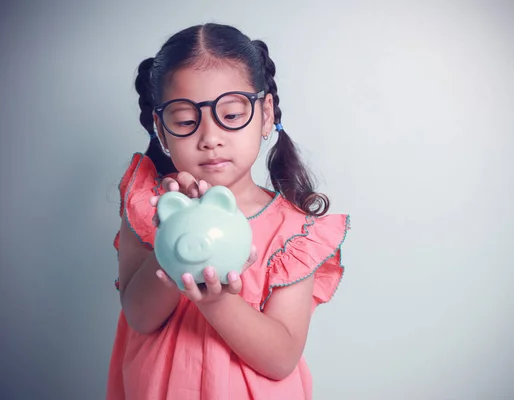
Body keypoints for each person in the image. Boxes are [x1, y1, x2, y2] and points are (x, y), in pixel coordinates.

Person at [106, 23, 350, 400]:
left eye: (232, 115)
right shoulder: (150, 203)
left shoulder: (294, 232)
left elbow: (281, 358)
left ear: (265, 113)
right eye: (186, 121)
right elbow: (139, 316)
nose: (210, 137)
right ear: (161, 127)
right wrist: (170, 240)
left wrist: (218, 300)